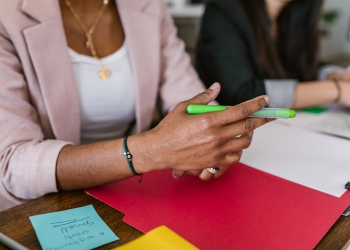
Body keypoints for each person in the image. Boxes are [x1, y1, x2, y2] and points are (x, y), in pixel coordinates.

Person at [0, 0, 272, 211]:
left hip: (135, 192)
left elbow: (189, 96)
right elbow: (11, 164)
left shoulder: (148, 5)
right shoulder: (7, 14)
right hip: (44, 206)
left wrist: (213, 136)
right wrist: (152, 150)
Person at [196, 0, 350, 109]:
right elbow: (241, 94)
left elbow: (301, 67)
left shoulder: (293, 17)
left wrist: (333, 76)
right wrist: (336, 90)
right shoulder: (222, 10)